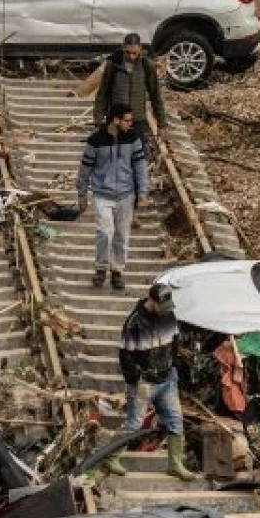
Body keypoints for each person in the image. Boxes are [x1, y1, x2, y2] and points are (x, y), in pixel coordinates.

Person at [101, 281, 197, 481]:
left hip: (167, 379)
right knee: (133, 423)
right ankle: (112, 457)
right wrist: (134, 379)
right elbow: (125, 355)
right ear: (151, 301)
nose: (164, 311)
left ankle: (175, 464)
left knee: (175, 421)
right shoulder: (135, 322)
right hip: (144, 382)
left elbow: (175, 343)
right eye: (161, 307)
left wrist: (176, 366)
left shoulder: (169, 314)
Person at [77, 104, 148, 290]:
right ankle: (101, 268)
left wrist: (143, 193)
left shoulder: (133, 139)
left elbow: (140, 166)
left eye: (131, 120)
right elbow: (85, 168)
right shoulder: (95, 140)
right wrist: (82, 194)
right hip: (102, 194)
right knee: (104, 233)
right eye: (127, 120)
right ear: (115, 120)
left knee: (121, 235)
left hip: (126, 194)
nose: (130, 124)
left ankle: (117, 271)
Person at [93, 33, 167, 137]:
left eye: (135, 53)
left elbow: (155, 96)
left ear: (140, 48)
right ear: (123, 47)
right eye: (128, 53)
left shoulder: (147, 66)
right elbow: (102, 94)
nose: (131, 57)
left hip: (137, 122)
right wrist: (98, 121)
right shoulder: (113, 65)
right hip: (116, 121)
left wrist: (161, 124)